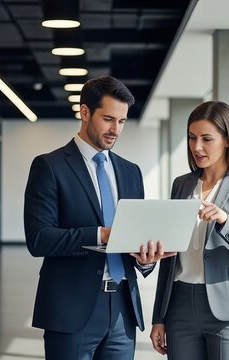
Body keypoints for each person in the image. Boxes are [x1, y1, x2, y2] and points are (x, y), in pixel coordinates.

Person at [24, 75, 174, 360]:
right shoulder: (50, 166)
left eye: (121, 121)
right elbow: (38, 239)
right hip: (70, 310)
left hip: (122, 310)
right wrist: (101, 234)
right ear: (84, 112)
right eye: (108, 119)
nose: (115, 129)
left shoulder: (131, 172)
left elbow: (133, 238)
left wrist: (145, 260)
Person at [150, 101, 229, 359]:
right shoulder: (181, 185)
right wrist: (159, 316)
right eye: (192, 138)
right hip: (180, 306)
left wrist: (226, 220)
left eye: (207, 139)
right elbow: (169, 260)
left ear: (227, 140)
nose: (197, 147)